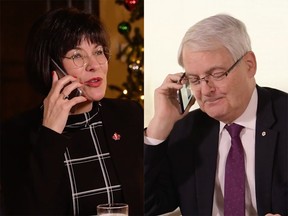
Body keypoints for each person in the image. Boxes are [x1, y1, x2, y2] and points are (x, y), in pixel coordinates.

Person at [1, 8, 143, 215]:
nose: (94, 65)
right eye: (77, 55)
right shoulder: (14, 133)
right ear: (50, 66)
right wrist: (50, 134)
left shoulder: (129, 115)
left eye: (98, 51)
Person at [144, 14, 287, 216]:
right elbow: (148, 204)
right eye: (194, 79)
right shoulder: (187, 131)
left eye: (217, 74)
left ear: (249, 65)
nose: (205, 89)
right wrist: (158, 127)